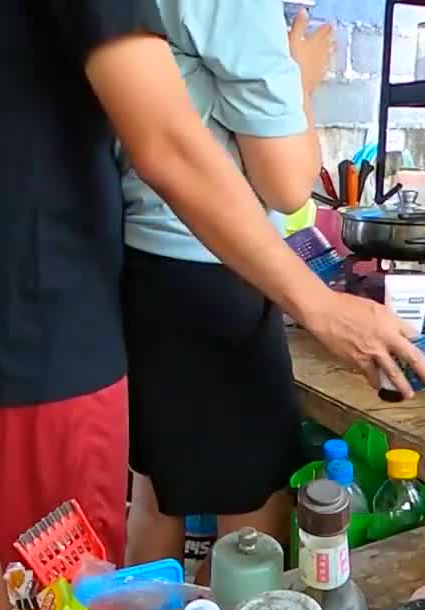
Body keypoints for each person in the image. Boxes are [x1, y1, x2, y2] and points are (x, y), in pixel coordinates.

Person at [0, 0, 425, 610]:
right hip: (42, 309)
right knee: (65, 582)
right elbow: (171, 146)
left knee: (9, 549)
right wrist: (320, 306)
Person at [122, 3, 331, 576]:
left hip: (140, 263)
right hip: (213, 271)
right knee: (254, 508)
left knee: (156, 492)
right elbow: (288, 185)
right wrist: (301, 80)